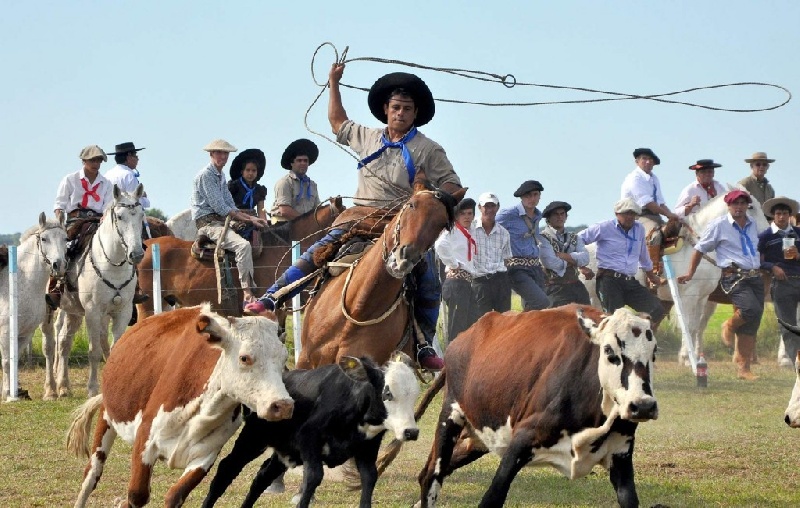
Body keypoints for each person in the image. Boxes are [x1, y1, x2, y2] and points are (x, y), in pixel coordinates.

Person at [246, 65, 463, 370]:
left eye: (407, 110)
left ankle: (424, 344)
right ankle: (272, 297)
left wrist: (425, 195)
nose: (400, 114)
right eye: (396, 108)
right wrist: (334, 82)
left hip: (399, 226)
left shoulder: (428, 149)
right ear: (386, 111)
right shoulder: (367, 136)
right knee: (318, 251)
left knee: (428, 280)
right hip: (358, 218)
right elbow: (337, 122)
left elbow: (453, 186)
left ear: (416, 114)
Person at [678, 190, 763, 380]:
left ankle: (744, 368)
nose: (739, 207)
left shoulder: (752, 224)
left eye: (743, 204)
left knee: (753, 321)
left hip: (754, 275)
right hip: (734, 276)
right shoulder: (719, 225)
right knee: (749, 310)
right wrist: (690, 273)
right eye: (735, 204)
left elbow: (759, 247)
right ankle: (728, 325)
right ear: (728, 206)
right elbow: (699, 249)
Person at [191, 139, 269, 308]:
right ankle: (247, 294)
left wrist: (252, 219)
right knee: (243, 246)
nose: (222, 156)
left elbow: (230, 204)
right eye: (218, 153)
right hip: (209, 222)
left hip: (221, 220)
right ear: (211, 154)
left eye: (225, 153)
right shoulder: (206, 175)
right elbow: (220, 207)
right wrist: (248, 218)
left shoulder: (221, 176)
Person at [579, 198, 665, 326]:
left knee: (656, 309)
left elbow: (643, 255)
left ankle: (634, 331)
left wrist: (652, 277)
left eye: (633, 213)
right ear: (617, 213)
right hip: (609, 280)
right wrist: (581, 265)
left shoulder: (639, 229)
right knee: (614, 320)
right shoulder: (604, 227)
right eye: (626, 213)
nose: (630, 217)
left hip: (630, 281)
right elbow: (578, 240)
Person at [48, 145, 115, 309]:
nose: (96, 163)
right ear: (84, 161)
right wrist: (60, 218)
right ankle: (57, 287)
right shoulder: (70, 180)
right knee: (65, 248)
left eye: (99, 160)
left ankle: (130, 287)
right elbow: (60, 203)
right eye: (92, 160)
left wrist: (104, 218)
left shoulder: (106, 183)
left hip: (97, 220)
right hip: (75, 219)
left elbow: (108, 206)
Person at [496, 180, 558, 311]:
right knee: (542, 302)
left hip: (535, 267)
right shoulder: (508, 214)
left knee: (536, 311)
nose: (532, 199)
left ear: (540, 196)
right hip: (516, 268)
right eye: (528, 196)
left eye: (535, 195)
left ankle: (527, 331)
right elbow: (488, 227)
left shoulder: (538, 215)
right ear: (522, 198)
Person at [105, 141, 152, 304]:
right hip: (127, 220)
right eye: (135, 155)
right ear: (128, 157)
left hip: (107, 220)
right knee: (141, 247)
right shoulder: (129, 176)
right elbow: (140, 204)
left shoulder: (107, 174)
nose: (137, 159)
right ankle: (138, 285)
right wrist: (145, 197)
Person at [758, 196, 800, 366]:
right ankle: (795, 363)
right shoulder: (765, 236)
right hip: (782, 283)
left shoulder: (798, 233)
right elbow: (758, 260)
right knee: (788, 325)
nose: (781, 217)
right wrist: (772, 267)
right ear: (773, 216)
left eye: (784, 213)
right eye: (778, 214)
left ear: (790, 215)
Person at [621, 148, 680, 262]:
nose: (648, 161)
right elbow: (648, 203)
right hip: (636, 216)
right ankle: (653, 269)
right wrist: (668, 215)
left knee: (676, 229)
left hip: (654, 216)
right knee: (655, 235)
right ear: (637, 161)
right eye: (644, 158)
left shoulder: (654, 178)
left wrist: (674, 217)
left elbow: (661, 202)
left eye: (651, 159)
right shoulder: (635, 178)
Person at [434, 197, 478, 343]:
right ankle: (451, 359)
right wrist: (453, 263)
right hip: (456, 281)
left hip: (467, 283)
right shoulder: (452, 231)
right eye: (463, 214)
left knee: (471, 321)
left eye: (470, 213)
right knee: (456, 325)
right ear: (457, 216)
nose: (467, 217)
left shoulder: (470, 232)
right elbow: (440, 245)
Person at [539, 200, 594, 306]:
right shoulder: (542, 238)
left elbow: (586, 258)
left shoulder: (575, 237)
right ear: (548, 218)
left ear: (566, 216)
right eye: (555, 214)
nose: (560, 217)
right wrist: (575, 261)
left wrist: (566, 256)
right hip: (554, 287)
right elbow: (551, 263)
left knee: (587, 318)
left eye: (562, 214)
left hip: (576, 286)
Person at [471, 192, 513, 317]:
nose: (489, 210)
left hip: (500, 280)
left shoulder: (504, 233)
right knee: (482, 322)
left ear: (498, 207)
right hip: (480, 281)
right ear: (479, 207)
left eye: (492, 206)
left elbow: (507, 259)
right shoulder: (470, 229)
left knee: (504, 321)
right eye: (486, 206)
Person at [270, 139, 321, 223]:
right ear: (292, 163)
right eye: (299, 160)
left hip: (306, 227)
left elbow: (317, 209)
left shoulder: (312, 185)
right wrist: (307, 221)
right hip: (283, 225)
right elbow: (285, 211)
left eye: (305, 161)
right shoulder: (284, 182)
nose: (303, 163)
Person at [228, 148, 268, 220]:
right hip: (235, 218)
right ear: (242, 171)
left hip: (253, 218)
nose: (250, 173)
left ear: (257, 172)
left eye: (253, 170)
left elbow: (261, 210)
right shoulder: (234, 186)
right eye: (248, 170)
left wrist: (264, 225)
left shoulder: (260, 190)